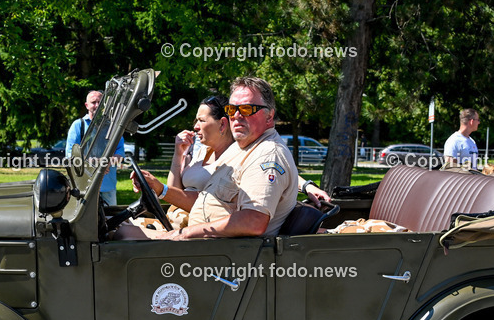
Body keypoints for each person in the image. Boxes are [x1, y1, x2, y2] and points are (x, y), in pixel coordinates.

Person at [118, 76, 299, 240]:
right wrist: (160, 189)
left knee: (120, 235)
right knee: (118, 228)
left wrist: (185, 233)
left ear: (269, 116)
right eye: (231, 109)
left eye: (246, 109)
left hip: (218, 253)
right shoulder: (241, 149)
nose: (236, 116)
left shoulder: (267, 154)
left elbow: (253, 221)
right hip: (202, 242)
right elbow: (208, 200)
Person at [131, 97, 331, 216]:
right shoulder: (199, 151)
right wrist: (178, 155)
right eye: (195, 121)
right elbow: (174, 192)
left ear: (222, 124)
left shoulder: (238, 153)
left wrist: (307, 186)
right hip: (176, 218)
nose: (195, 127)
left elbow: (272, 169)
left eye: (201, 120)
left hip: (204, 227)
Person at [66, 90, 125, 205]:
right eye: (93, 102)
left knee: (110, 215)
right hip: (83, 187)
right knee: (85, 216)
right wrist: (95, 165)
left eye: (100, 102)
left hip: (107, 186)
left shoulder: (114, 127)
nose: (97, 105)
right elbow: (70, 154)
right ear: (86, 105)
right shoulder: (78, 125)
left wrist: (108, 162)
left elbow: (120, 153)